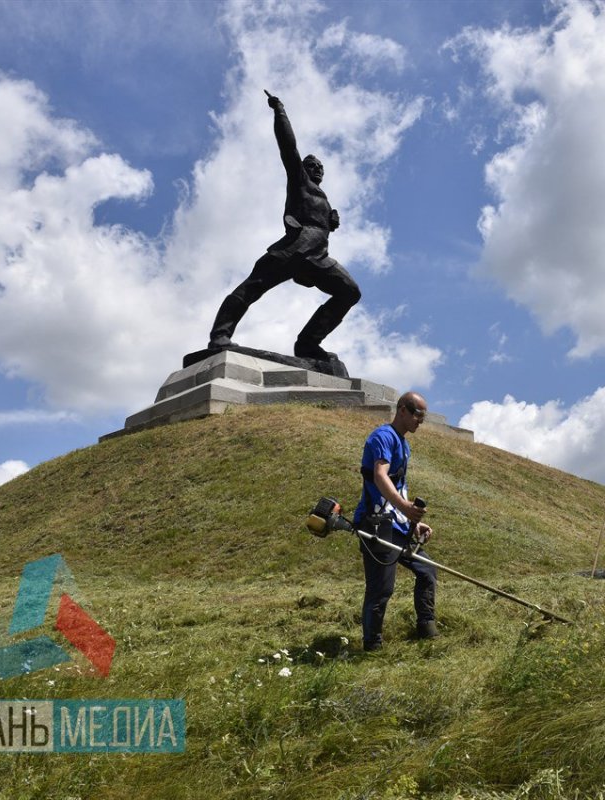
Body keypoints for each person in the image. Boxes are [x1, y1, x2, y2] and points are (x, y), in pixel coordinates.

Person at [207, 90, 361, 361]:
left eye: (321, 167)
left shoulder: (322, 197)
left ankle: (308, 344)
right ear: (303, 167)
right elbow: (288, 146)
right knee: (253, 286)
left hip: (317, 257)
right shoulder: (299, 180)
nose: (317, 169)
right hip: (293, 248)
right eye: (312, 165)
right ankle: (219, 337)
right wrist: (279, 110)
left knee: (349, 292)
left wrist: (329, 222)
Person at [352, 392, 438, 651]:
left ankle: (426, 627)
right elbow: (380, 476)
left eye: (423, 416)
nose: (420, 421)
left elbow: (398, 486)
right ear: (402, 409)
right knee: (381, 588)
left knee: (427, 570)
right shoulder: (383, 436)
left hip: (398, 524)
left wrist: (410, 516)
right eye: (417, 414)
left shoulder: (404, 444)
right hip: (375, 525)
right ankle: (372, 646)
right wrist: (405, 508)